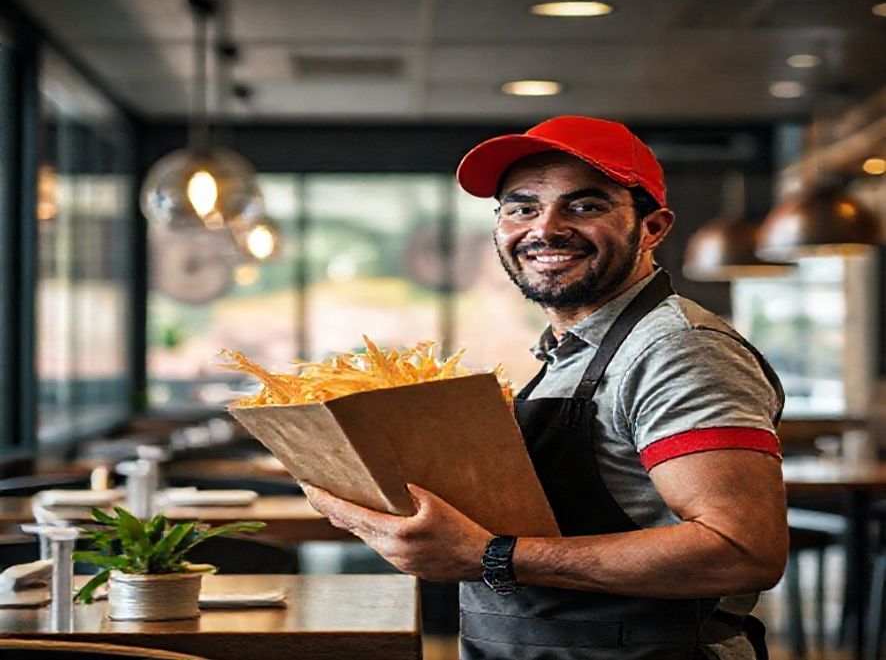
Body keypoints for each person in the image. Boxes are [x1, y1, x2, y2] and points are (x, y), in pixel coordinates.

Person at [303, 115, 788, 660]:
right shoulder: (568, 352)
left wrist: (492, 556)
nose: (545, 228)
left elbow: (743, 550)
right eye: (522, 207)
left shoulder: (678, 349)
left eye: (585, 206)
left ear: (652, 228)